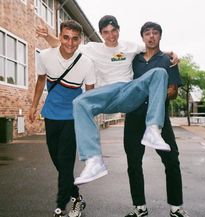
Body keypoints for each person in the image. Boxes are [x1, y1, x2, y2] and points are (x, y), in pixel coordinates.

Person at [37, 15, 179, 186]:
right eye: (106, 33)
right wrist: (47, 36)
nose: (111, 36)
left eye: (114, 31)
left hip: (127, 93)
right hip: (105, 95)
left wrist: (171, 53)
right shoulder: (92, 48)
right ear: (101, 34)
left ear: (118, 30)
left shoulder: (130, 46)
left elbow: (152, 47)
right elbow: (66, 46)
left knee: (159, 73)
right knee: (79, 102)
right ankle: (94, 161)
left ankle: (153, 129)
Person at [29, 20, 96, 217]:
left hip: (73, 116)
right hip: (51, 114)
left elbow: (89, 95)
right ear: (60, 37)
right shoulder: (46, 56)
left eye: (75, 39)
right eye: (66, 37)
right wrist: (33, 105)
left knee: (66, 160)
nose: (70, 43)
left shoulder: (86, 63)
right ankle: (76, 196)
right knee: (57, 159)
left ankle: (61, 205)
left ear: (80, 40)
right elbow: (41, 80)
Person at [124, 22, 189, 217]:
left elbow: (173, 91)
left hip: (159, 118)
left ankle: (176, 208)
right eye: (147, 33)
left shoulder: (168, 60)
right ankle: (139, 208)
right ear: (142, 37)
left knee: (171, 160)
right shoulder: (134, 60)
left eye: (155, 33)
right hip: (134, 117)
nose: (151, 36)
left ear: (160, 36)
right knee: (133, 162)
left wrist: (152, 95)